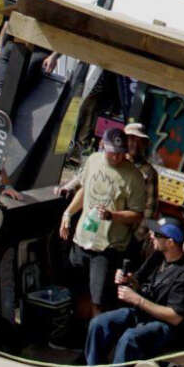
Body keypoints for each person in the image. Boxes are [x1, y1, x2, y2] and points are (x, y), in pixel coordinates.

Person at [84, 218, 184, 367]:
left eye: (157, 234)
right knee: (99, 323)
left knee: (129, 339)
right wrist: (128, 279)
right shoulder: (158, 256)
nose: (151, 235)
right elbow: (138, 282)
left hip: (169, 328)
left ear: (170, 242)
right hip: (143, 315)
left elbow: (175, 317)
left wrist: (137, 300)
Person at [59, 126, 146, 312]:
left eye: (121, 153)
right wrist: (68, 213)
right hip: (81, 239)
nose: (116, 157)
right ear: (102, 146)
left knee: (98, 301)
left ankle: (93, 337)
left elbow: (137, 214)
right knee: (73, 293)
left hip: (108, 247)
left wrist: (112, 215)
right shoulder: (93, 160)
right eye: (112, 153)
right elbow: (84, 189)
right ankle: (73, 334)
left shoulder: (134, 176)